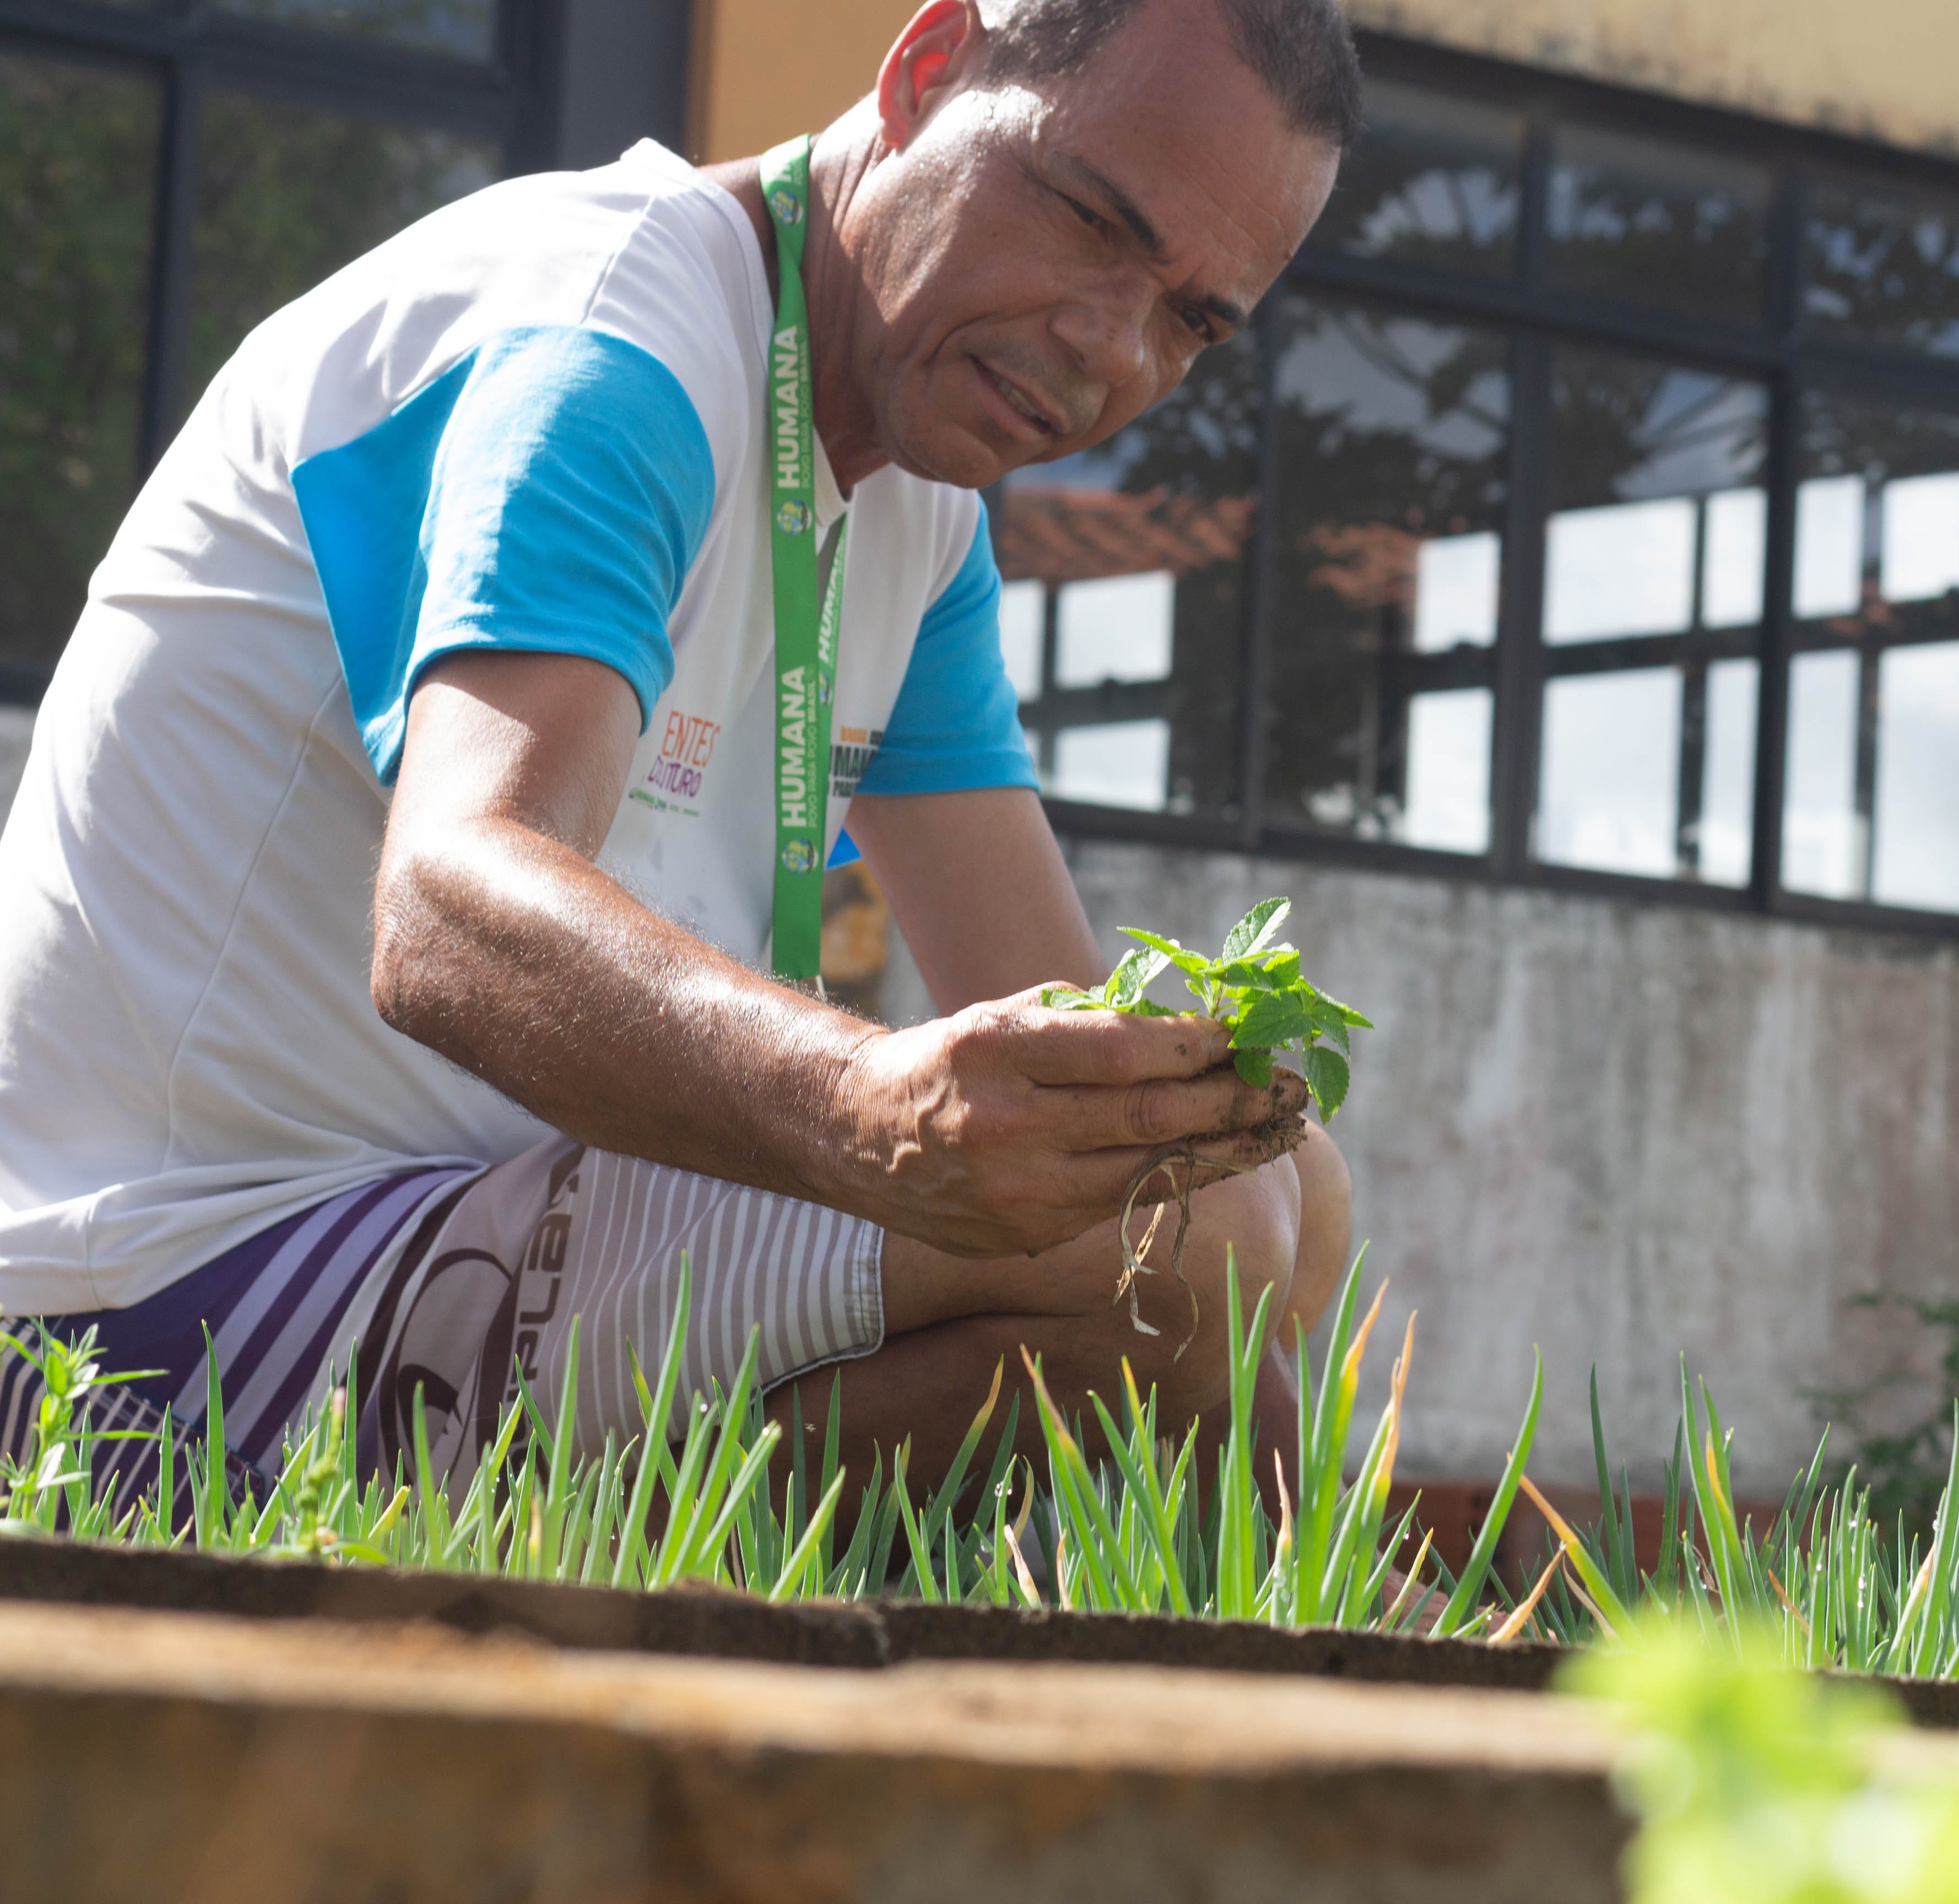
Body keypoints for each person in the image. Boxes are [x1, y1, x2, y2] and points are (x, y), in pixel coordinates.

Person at [0, 0, 1362, 1500]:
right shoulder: (605, 331)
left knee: (1270, 1195)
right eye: (1094, 217)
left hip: (461, 1256)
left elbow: (1062, 1024)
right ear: (923, 71)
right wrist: (867, 1111)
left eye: (1194, 320)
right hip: (138, 1309)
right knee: (1194, 1247)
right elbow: (445, 912)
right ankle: (556, 1615)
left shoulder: (920, 507)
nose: (1113, 347)